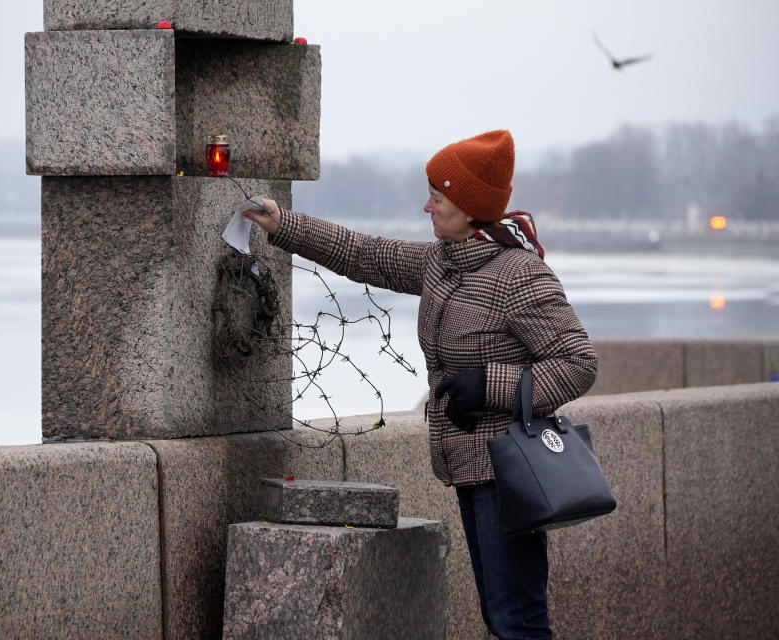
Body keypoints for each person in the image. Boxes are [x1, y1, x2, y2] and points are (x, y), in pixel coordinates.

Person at [243, 130, 597, 640]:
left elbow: (578, 362)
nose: (425, 205)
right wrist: (284, 225)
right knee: (504, 619)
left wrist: (488, 385)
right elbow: (363, 254)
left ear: (471, 207)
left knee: (517, 622)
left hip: (514, 474)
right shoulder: (441, 263)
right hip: (473, 470)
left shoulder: (519, 275)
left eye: (437, 196)